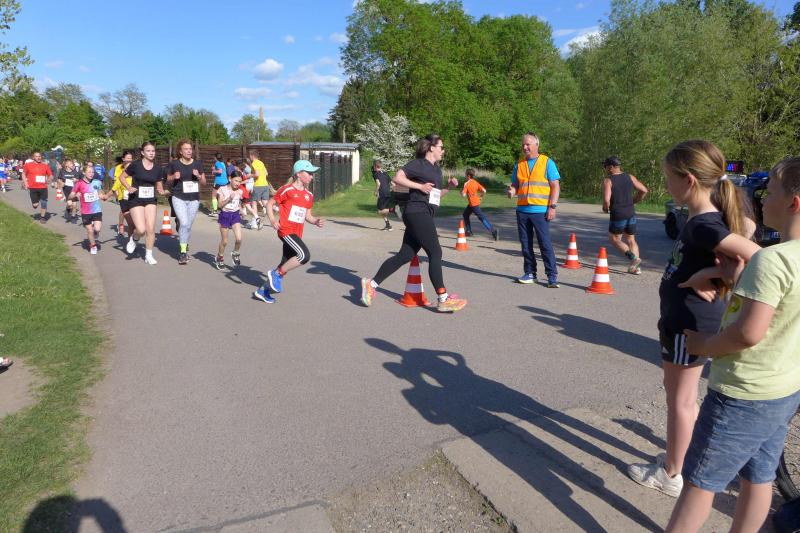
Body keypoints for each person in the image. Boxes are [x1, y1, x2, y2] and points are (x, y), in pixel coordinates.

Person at [664, 156, 800, 532]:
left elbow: (747, 334)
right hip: (783, 390)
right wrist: (735, 277)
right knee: (759, 477)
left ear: (793, 203)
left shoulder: (772, 261)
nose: (761, 199)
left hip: (742, 394)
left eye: (770, 191)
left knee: (699, 482)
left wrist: (704, 344)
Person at [626, 140, 761, 498]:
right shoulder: (707, 217)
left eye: (668, 178)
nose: (664, 185)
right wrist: (712, 272)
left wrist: (711, 275)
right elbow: (747, 226)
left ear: (688, 180)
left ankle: (672, 473)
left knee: (681, 401)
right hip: (685, 320)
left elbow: (759, 256)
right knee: (680, 396)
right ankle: (681, 456)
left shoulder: (704, 225)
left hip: (690, 324)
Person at [359, 134, 467, 313]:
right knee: (435, 252)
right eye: (441, 147)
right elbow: (397, 177)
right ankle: (443, 298)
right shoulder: (419, 164)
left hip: (422, 213)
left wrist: (448, 188)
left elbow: (434, 195)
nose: (443, 150)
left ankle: (371, 284)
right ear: (431, 147)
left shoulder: (436, 170)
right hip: (417, 212)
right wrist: (419, 186)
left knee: (405, 255)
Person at [253, 160, 324, 304]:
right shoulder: (287, 190)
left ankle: (263, 290)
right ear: (298, 174)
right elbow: (270, 203)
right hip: (285, 230)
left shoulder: (309, 195)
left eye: (312, 174)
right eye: (309, 173)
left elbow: (307, 216)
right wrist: (272, 220)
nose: (312, 176)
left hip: (296, 234)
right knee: (304, 255)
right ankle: (276, 274)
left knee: (285, 263)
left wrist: (315, 221)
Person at [507, 132, 560, 287]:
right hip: (522, 210)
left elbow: (555, 186)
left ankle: (552, 276)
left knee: (545, 243)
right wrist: (512, 191)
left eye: (528, 144)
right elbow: (515, 185)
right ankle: (530, 273)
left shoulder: (547, 162)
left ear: (537, 145)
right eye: (523, 144)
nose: (525, 147)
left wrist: (552, 206)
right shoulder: (519, 164)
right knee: (525, 243)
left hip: (540, 211)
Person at [118, 141, 166, 265]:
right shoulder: (135, 165)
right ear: (142, 153)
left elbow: (159, 185)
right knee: (141, 229)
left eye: (153, 151)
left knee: (150, 228)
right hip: (136, 199)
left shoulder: (158, 168)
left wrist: (161, 190)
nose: (151, 153)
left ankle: (148, 255)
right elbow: (121, 177)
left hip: (150, 200)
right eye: (148, 151)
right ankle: (134, 238)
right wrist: (128, 187)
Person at [601, 156, 649, 274]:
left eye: (605, 166)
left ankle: (633, 258)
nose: (605, 168)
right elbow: (644, 190)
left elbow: (606, 200)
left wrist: (605, 208)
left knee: (614, 239)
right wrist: (634, 200)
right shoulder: (630, 177)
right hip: (630, 212)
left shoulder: (608, 180)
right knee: (631, 239)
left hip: (618, 214)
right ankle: (635, 268)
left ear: (611, 167)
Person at [166, 140, 206, 265]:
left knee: (188, 225)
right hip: (178, 197)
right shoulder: (174, 164)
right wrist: (173, 177)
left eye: (190, 149)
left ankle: (184, 243)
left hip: (194, 198)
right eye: (186, 149)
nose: (189, 151)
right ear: (180, 151)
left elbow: (204, 182)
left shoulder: (198, 163)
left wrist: (199, 176)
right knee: (183, 223)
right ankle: (183, 252)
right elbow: (168, 180)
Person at [68, 163, 109, 255]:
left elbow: (100, 193)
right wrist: (74, 195)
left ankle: (95, 234)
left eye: (93, 172)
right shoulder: (79, 183)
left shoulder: (97, 182)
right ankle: (93, 246)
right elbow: (71, 195)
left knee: (97, 229)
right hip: (86, 212)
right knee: (90, 230)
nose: (91, 174)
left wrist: (102, 196)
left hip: (97, 210)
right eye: (89, 172)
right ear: (84, 172)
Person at [215, 171, 244, 270]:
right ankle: (220, 257)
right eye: (236, 180)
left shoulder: (240, 191)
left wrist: (241, 210)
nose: (238, 183)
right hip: (225, 215)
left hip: (235, 215)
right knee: (225, 241)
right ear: (230, 179)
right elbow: (219, 205)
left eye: (239, 181)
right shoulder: (222, 189)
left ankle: (235, 253)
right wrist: (228, 199)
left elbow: (238, 203)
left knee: (239, 239)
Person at [462, 168, 499, 241]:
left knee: (481, 217)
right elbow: (484, 190)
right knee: (465, 214)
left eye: (465, 174)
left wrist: (461, 191)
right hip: (473, 203)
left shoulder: (467, 184)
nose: (465, 175)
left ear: (468, 175)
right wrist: (481, 197)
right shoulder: (475, 182)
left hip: (473, 204)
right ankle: (468, 231)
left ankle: (493, 231)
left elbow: (463, 195)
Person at [21, 151, 53, 223]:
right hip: (33, 187)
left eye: (39, 156)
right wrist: (25, 183)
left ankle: (42, 217)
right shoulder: (28, 165)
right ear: (33, 157)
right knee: (35, 205)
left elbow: (51, 175)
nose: (38, 157)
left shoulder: (45, 165)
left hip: (43, 187)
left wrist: (49, 179)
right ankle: (36, 200)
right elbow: (23, 174)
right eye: (36, 156)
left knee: (44, 203)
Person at [111, 150, 135, 243]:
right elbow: (117, 180)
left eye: (131, 158)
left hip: (132, 192)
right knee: (123, 211)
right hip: (122, 192)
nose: (129, 160)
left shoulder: (134, 167)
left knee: (132, 212)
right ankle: (121, 225)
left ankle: (133, 232)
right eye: (128, 158)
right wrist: (116, 192)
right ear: (123, 159)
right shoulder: (118, 168)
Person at [250, 150, 273, 229]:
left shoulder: (254, 163)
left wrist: (250, 175)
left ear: (252, 156)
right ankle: (273, 220)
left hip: (258, 185)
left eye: (250, 156)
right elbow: (266, 173)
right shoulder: (261, 162)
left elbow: (257, 174)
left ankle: (255, 222)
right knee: (266, 203)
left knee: (254, 203)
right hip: (265, 185)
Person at [372, 160, 394, 231]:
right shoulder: (385, 173)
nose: (373, 167)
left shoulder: (376, 174)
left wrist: (376, 192)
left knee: (380, 209)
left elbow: (378, 184)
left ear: (375, 166)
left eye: (373, 166)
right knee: (384, 208)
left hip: (382, 193)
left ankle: (388, 224)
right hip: (388, 193)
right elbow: (393, 184)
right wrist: (389, 189)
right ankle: (388, 225)